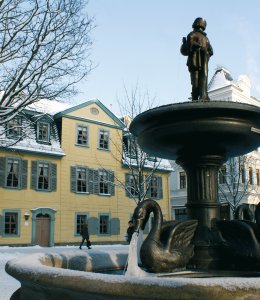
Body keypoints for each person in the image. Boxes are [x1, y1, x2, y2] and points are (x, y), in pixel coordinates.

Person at [180, 17, 213, 101]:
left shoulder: (196, 36)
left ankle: (197, 98)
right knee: (196, 83)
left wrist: (204, 53)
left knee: (195, 83)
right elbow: (211, 51)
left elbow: (184, 51)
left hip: (197, 63)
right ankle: (195, 99)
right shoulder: (196, 36)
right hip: (195, 63)